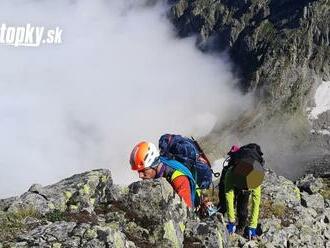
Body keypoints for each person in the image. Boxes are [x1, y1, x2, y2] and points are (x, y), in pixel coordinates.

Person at [129, 141, 197, 208]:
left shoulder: (179, 178)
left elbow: (186, 211)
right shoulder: (157, 173)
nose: (140, 175)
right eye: (138, 171)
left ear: (154, 165)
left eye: (143, 170)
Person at [223, 144, 264, 240]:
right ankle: (230, 220)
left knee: (243, 206)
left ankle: (241, 226)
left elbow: (256, 202)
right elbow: (228, 195)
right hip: (236, 177)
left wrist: (253, 226)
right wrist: (231, 220)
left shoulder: (256, 178)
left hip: (248, 178)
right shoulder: (230, 174)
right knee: (226, 201)